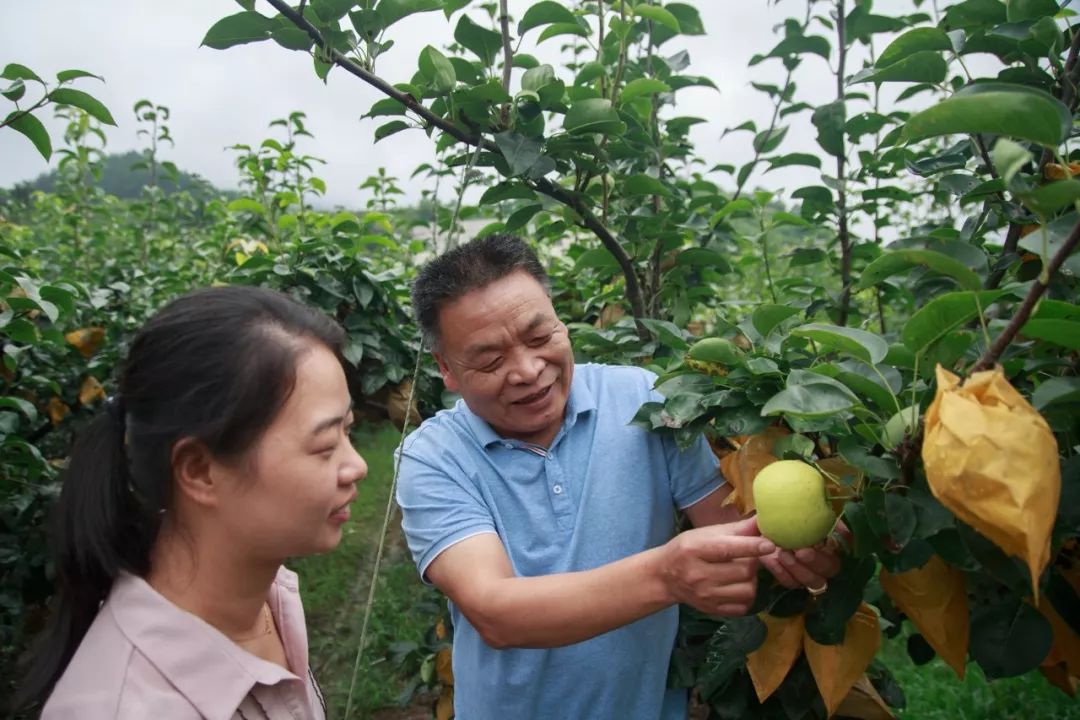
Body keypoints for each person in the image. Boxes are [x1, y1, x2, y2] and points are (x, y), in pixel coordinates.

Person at [396, 234, 841, 720]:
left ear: (561, 321)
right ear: (447, 370)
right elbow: (496, 611)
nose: (527, 370)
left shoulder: (645, 401)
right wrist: (667, 575)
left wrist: (806, 542)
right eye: (490, 360)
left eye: (541, 337)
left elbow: (736, 527)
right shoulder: (434, 457)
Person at [13, 286, 367, 719]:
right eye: (325, 444)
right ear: (199, 470)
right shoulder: (122, 708)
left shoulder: (268, 601)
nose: (358, 465)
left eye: (348, 430)